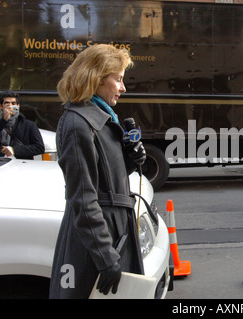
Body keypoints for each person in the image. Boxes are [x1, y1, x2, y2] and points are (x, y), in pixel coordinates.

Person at [49, 44, 146, 299]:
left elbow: (107, 179)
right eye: (118, 79)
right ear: (96, 77)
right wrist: (105, 256)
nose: (123, 88)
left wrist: (130, 160)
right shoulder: (77, 124)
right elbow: (82, 197)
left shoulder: (103, 118)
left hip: (113, 234)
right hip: (98, 244)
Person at [0, 91, 44, 159]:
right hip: (1, 164)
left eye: (13, 103)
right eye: (7, 103)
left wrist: (14, 150)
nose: (10, 106)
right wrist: (4, 120)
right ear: (0, 106)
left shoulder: (29, 125)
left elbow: (39, 148)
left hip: (21, 165)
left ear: (18, 106)